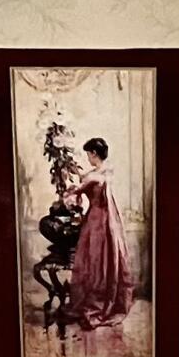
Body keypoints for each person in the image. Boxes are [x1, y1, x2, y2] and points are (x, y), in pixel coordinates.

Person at [69, 138, 135, 329]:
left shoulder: (99, 175)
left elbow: (88, 182)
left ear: (94, 154)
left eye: (89, 154)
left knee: (98, 259)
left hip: (100, 220)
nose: (88, 158)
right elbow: (87, 177)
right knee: (98, 259)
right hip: (102, 218)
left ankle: (100, 302)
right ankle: (99, 296)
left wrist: (74, 191)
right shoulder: (101, 172)